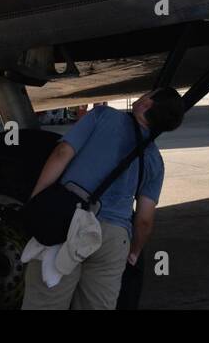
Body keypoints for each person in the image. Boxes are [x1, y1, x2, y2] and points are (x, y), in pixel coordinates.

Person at [22, 88, 185, 309]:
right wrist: (134, 252)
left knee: (46, 303)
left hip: (68, 225)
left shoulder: (103, 117)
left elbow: (62, 153)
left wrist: (36, 200)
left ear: (146, 103)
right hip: (114, 240)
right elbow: (145, 220)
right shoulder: (155, 161)